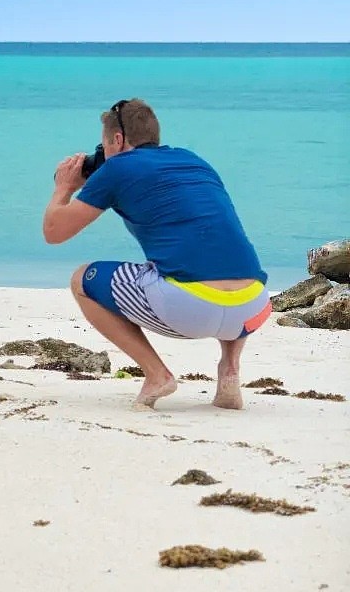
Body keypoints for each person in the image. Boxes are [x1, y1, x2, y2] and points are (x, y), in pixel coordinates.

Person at [42, 98, 271, 411]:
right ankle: (229, 372)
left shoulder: (117, 168)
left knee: (82, 279)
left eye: (105, 144)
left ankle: (156, 375)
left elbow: (54, 232)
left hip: (189, 309)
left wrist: (64, 188)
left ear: (118, 139)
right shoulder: (195, 161)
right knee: (219, 257)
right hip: (253, 307)